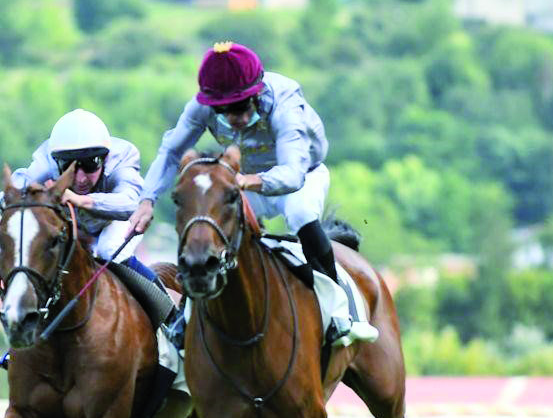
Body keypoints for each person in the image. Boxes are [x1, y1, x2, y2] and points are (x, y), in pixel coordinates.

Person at [132, 41, 377, 345]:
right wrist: (146, 200)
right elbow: (171, 152)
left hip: (301, 177)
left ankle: (343, 312)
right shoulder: (201, 107)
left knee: (300, 214)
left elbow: (292, 174)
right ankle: (188, 317)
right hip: (245, 180)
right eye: (224, 110)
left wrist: (244, 182)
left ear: (257, 92)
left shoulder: (285, 102)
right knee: (207, 222)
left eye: (241, 106)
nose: (236, 117)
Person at [0, 108, 158, 283]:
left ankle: (167, 306)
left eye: (90, 165)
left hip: (115, 222)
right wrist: (38, 197)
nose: (80, 179)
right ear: (57, 161)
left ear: (105, 158)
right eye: (69, 166)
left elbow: (134, 204)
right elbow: (1, 203)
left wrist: (80, 200)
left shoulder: (121, 158)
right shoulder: (45, 165)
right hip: (74, 227)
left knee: (109, 249)